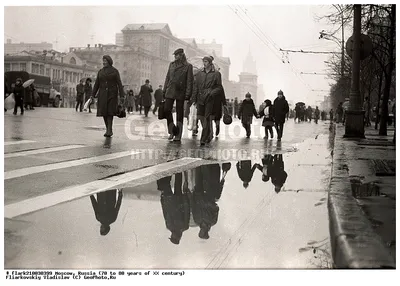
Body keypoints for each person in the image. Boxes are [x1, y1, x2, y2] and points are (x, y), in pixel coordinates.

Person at [163, 48, 194, 142]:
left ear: (181, 55)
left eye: (177, 55)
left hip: (181, 91)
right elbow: (167, 78)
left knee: (179, 113)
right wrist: (164, 90)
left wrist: (188, 94)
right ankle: (172, 130)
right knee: (166, 110)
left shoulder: (188, 66)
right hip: (170, 90)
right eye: (175, 55)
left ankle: (178, 134)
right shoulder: (171, 64)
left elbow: (189, 81)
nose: (175, 57)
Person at [92, 55, 125, 137]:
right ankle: (108, 129)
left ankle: (109, 130)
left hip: (112, 94)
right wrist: (92, 94)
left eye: (105, 61)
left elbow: (119, 84)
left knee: (110, 112)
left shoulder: (115, 71)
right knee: (104, 112)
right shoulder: (100, 71)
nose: (104, 62)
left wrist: (122, 95)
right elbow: (97, 84)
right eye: (103, 61)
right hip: (102, 94)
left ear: (109, 61)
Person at [192, 55, 222, 146]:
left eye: (206, 62)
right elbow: (196, 86)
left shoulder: (216, 74)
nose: (204, 63)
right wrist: (194, 98)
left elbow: (219, 87)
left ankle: (203, 138)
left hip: (209, 99)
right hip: (200, 98)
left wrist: (211, 93)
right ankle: (208, 133)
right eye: (203, 62)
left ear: (210, 63)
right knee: (200, 117)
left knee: (207, 117)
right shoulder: (200, 73)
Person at [157, 173, 190, 245]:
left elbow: (165, 213)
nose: (171, 235)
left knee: (166, 185)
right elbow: (187, 212)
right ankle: (179, 170)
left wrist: (162, 201)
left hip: (169, 201)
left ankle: (171, 171)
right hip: (179, 201)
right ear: (176, 237)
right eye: (172, 237)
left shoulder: (169, 227)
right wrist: (185, 200)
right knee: (178, 183)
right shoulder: (184, 227)